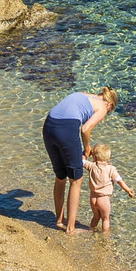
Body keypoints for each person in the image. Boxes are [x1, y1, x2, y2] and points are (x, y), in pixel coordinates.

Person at [41, 86, 117, 235]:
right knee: (76, 179)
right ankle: (70, 228)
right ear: (109, 105)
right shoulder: (102, 106)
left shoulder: (84, 95)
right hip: (66, 129)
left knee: (60, 176)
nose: (104, 114)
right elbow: (85, 129)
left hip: (48, 126)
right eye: (108, 113)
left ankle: (59, 221)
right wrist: (87, 147)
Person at [84, 143, 134, 235]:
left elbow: (81, 161)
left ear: (94, 157)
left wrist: (86, 153)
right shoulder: (111, 169)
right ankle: (105, 238)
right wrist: (128, 190)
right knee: (105, 219)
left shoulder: (91, 166)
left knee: (96, 217)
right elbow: (119, 181)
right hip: (103, 199)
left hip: (93, 198)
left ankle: (90, 232)